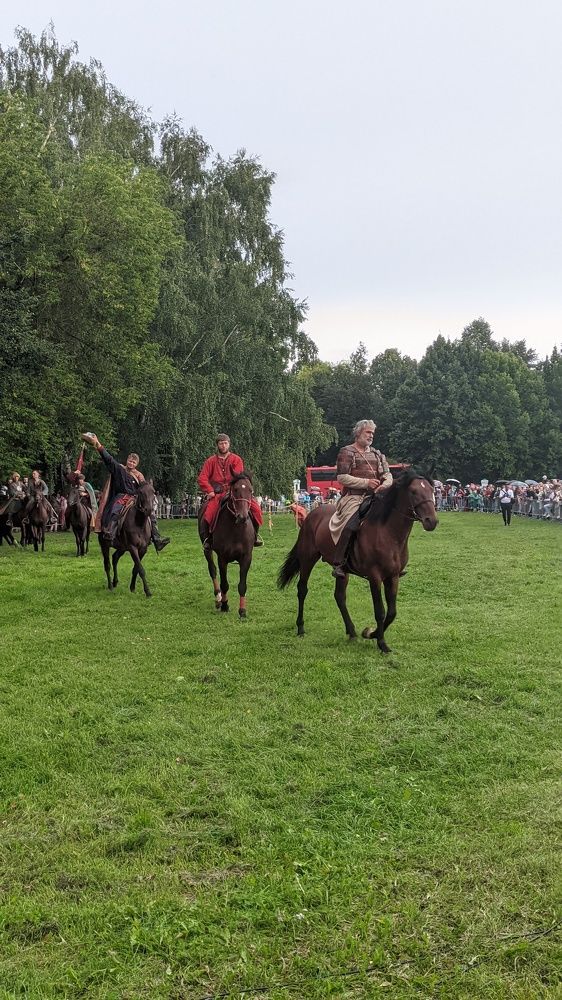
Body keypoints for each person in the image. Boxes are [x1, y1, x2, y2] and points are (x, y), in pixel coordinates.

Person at [81, 433, 170, 551]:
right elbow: (109, 460)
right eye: (130, 461)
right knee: (115, 510)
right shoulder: (120, 469)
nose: (131, 463)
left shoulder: (139, 475)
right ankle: (110, 533)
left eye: (134, 462)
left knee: (150, 515)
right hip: (122, 497)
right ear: (127, 460)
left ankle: (156, 539)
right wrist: (98, 445)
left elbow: (144, 488)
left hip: (135, 499)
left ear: (136, 464)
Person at [328, 419, 393, 577]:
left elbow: (388, 475)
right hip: (353, 498)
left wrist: (385, 485)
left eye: (372, 433)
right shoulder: (347, 452)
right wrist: (366, 483)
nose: (371, 436)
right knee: (351, 524)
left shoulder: (377, 454)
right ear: (358, 433)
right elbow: (342, 477)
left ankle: (392, 560)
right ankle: (340, 562)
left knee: (393, 521)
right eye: (368, 432)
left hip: (376, 497)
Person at [197, 433, 263, 550]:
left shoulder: (236, 459)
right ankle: (208, 539)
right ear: (217, 445)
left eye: (225, 443)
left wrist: (232, 488)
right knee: (209, 513)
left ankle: (255, 536)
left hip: (236, 491)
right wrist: (210, 490)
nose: (223, 445)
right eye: (221, 443)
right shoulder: (210, 461)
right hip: (217, 494)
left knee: (256, 509)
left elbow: (237, 477)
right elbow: (202, 478)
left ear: (229, 444)